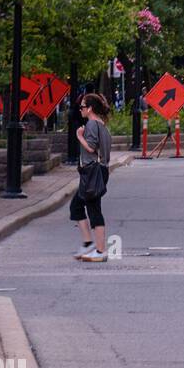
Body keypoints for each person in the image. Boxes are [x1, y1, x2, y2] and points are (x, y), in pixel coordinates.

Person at [71, 93, 112, 262]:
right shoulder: (101, 125)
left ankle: (101, 250)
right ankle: (88, 243)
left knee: (94, 209)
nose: (80, 110)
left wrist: (79, 137)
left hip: (93, 171)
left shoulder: (92, 125)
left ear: (90, 109)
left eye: (82, 107)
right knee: (76, 206)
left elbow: (92, 148)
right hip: (97, 171)